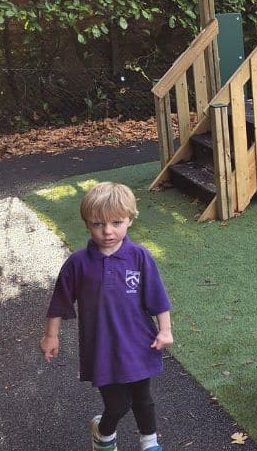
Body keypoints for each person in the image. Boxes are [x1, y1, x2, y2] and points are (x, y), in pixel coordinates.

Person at [40, 182, 172, 451]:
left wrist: (165, 330)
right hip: (101, 347)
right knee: (118, 405)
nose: (108, 231)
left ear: (130, 220)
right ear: (87, 224)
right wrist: (51, 336)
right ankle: (103, 434)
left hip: (138, 343)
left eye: (116, 222)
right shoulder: (78, 263)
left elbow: (157, 296)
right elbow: (60, 301)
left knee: (143, 398)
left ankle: (150, 442)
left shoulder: (139, 257)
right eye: (98, 224)